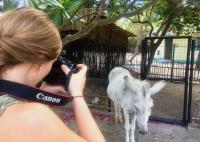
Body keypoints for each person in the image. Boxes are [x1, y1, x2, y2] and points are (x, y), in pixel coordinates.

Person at [0, 7, 106, 142]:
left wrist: (40, 93)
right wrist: (77, 95)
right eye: (54, 62)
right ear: (39, 62)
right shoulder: (32, 117)